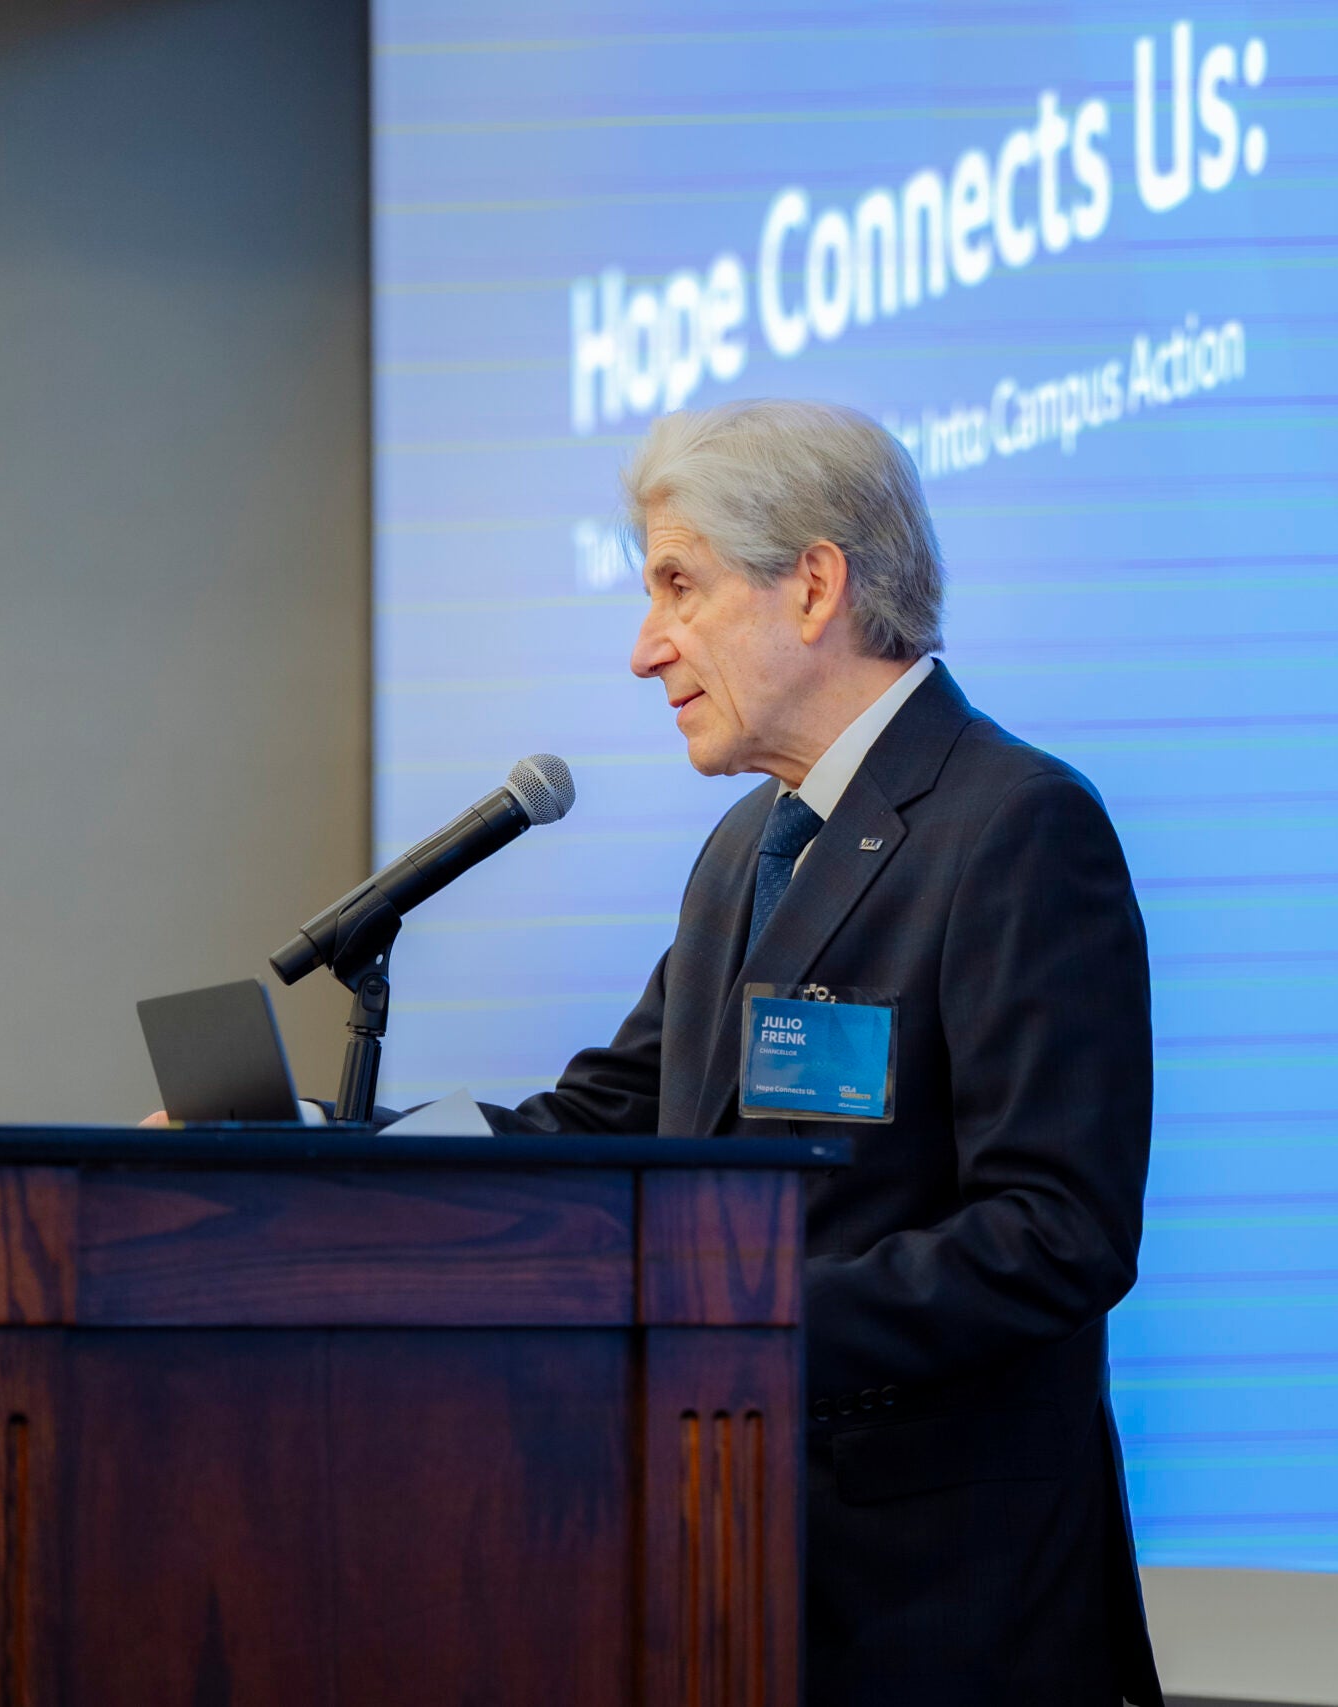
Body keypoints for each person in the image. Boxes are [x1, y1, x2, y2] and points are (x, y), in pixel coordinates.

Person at [498, 398, 1164, 1707]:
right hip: (734, 1567)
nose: (646, 650)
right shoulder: (746, 849)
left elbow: (1058, 1232)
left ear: (812, 586)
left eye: (678, 587)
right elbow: (609, 1118)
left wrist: (738, 1327)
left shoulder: (1016, 827)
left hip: (943, 1610)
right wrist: (327, 1145)